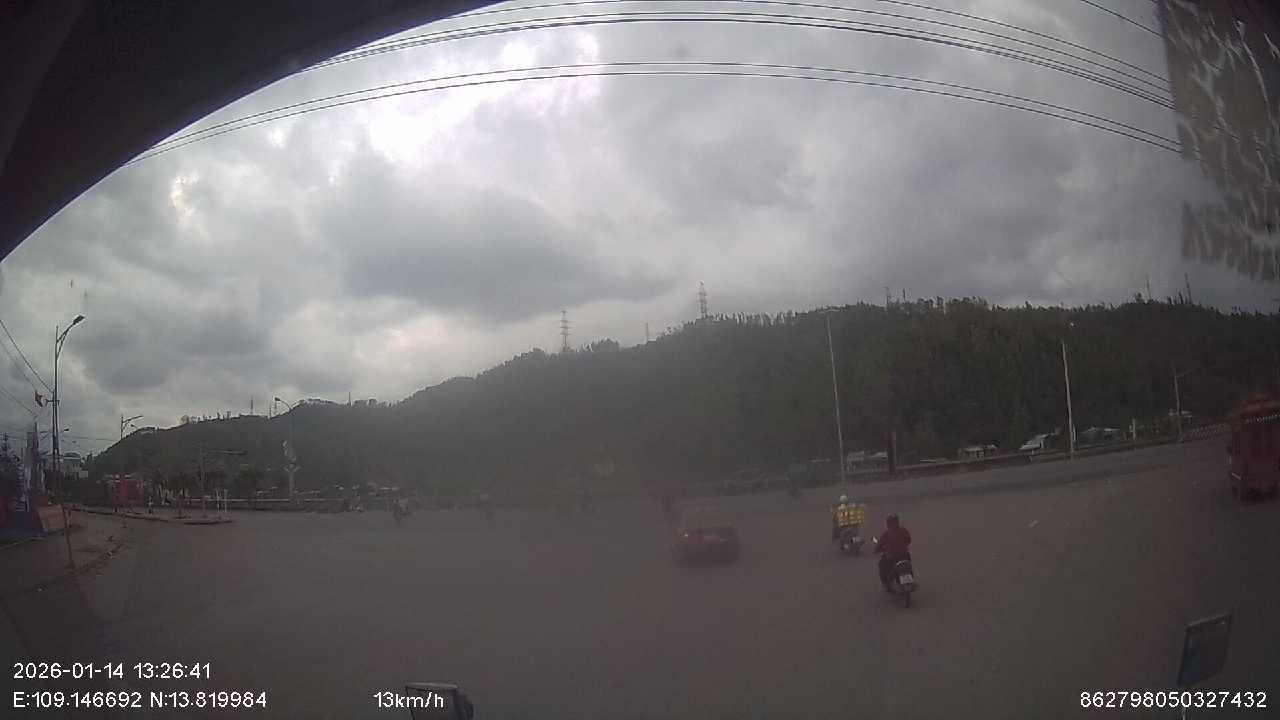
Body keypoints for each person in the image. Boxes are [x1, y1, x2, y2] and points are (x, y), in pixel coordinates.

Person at [875, 513, 912, 590]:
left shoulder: (886, 534)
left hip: (891, 558)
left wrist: (877, 550)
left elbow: (879, 545)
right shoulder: (904, 530)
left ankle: (885, 583)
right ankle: (910, 580)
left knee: (881, 566)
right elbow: (908, 540)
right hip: (904, 555)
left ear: (888, 523)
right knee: (908, 566)